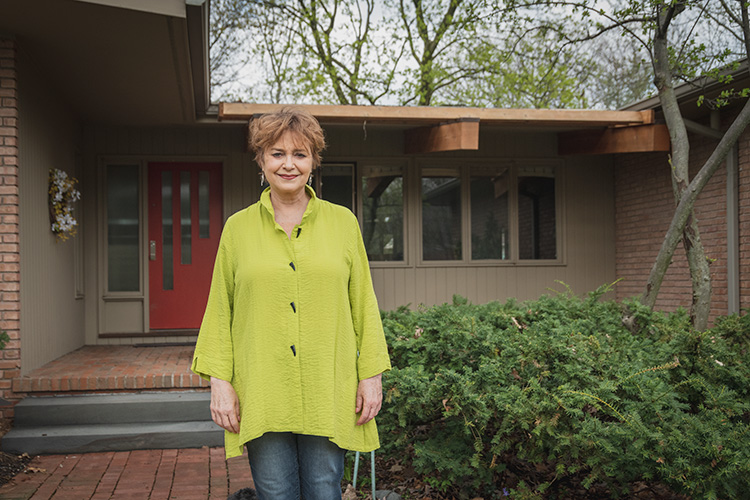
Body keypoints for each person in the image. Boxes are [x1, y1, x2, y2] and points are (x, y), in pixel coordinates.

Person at [191, 106, 391, 500]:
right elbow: (220, 308)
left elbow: (363, 303)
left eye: (299, 154)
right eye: (277, 153)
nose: (288, 164)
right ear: (261, 160)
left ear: (313, 162)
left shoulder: (343, 223)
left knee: (323, 490)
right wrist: (220, 382)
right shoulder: (238, 228)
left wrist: (371, 375)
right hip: (262, 385)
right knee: (276, 493)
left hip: (327, 383)